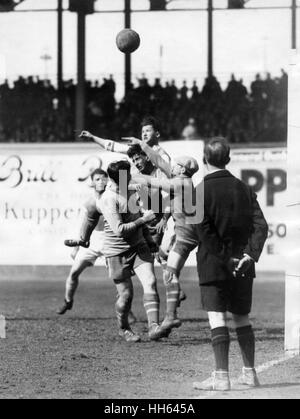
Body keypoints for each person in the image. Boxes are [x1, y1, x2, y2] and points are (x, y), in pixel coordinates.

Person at [193, 137, 268, 391]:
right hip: (243, 267)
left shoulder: (197, 192)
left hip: (214, 265)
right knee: (242, 318)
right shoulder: (245, 188)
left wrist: (226, 257)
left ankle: (221, 377)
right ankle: (249, 373)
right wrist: (249, 255)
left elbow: (203, 232)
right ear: (228, 159)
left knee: (217, 319)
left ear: (205, 160)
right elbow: (261, 226)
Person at [128, 138, 201, 332]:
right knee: (164, 259)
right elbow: (160, 163)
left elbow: (153, 180)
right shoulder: (186, 182)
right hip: (185, 234)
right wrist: (143, 146)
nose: (171, 167)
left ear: (182, 169)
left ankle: (171, 317)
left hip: (185, 235)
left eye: (175, 166)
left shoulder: (180, 183)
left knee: (168, 274)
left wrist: (132, 178)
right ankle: (173, 308)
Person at [97, 160, 169, 343]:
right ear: (117, 178)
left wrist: (151, 241)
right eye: (126, 174)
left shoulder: (130, 192)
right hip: (116, 252)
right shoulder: (108, 198)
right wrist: (144, 221)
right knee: (126, 296)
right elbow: (119, 229)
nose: (129, 176)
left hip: (138, 247)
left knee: (151, 282)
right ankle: (124, 328)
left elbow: (136, 217)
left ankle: (154, 327)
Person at [57, 169, 108, 315]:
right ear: (92, 183)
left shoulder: (112, 199)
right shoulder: (89, 203)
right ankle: (68, 301)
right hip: (91, 242)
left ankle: (126, 312)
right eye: (97, 179)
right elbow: (83, 225)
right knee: (73, 274)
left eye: (104, 178)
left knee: (118, 278)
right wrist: (77, 248)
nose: (101, 182)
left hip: (108, 241)